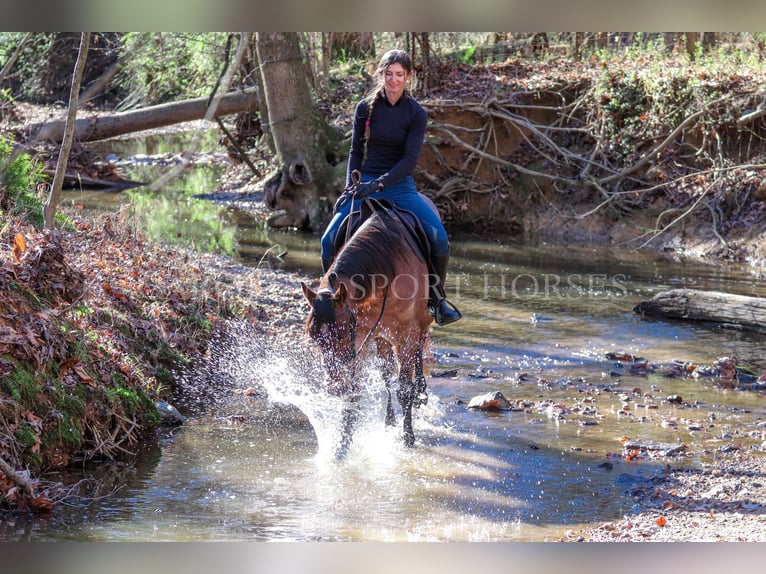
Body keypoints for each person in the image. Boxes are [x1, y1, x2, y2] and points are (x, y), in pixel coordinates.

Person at [320, 49, 461, 326]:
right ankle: (329, 298)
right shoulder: (364, 108)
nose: (394, 80)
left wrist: (378, 184)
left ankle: (437, 300)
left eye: (399, 75)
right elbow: (355, 152)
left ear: (408, 77)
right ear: (381, 74)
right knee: (327, 241)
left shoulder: (416, 113)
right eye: (389, 74)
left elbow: (409, 161)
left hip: (399, 187)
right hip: (363, 187)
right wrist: (351, 186)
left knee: (440, 239)